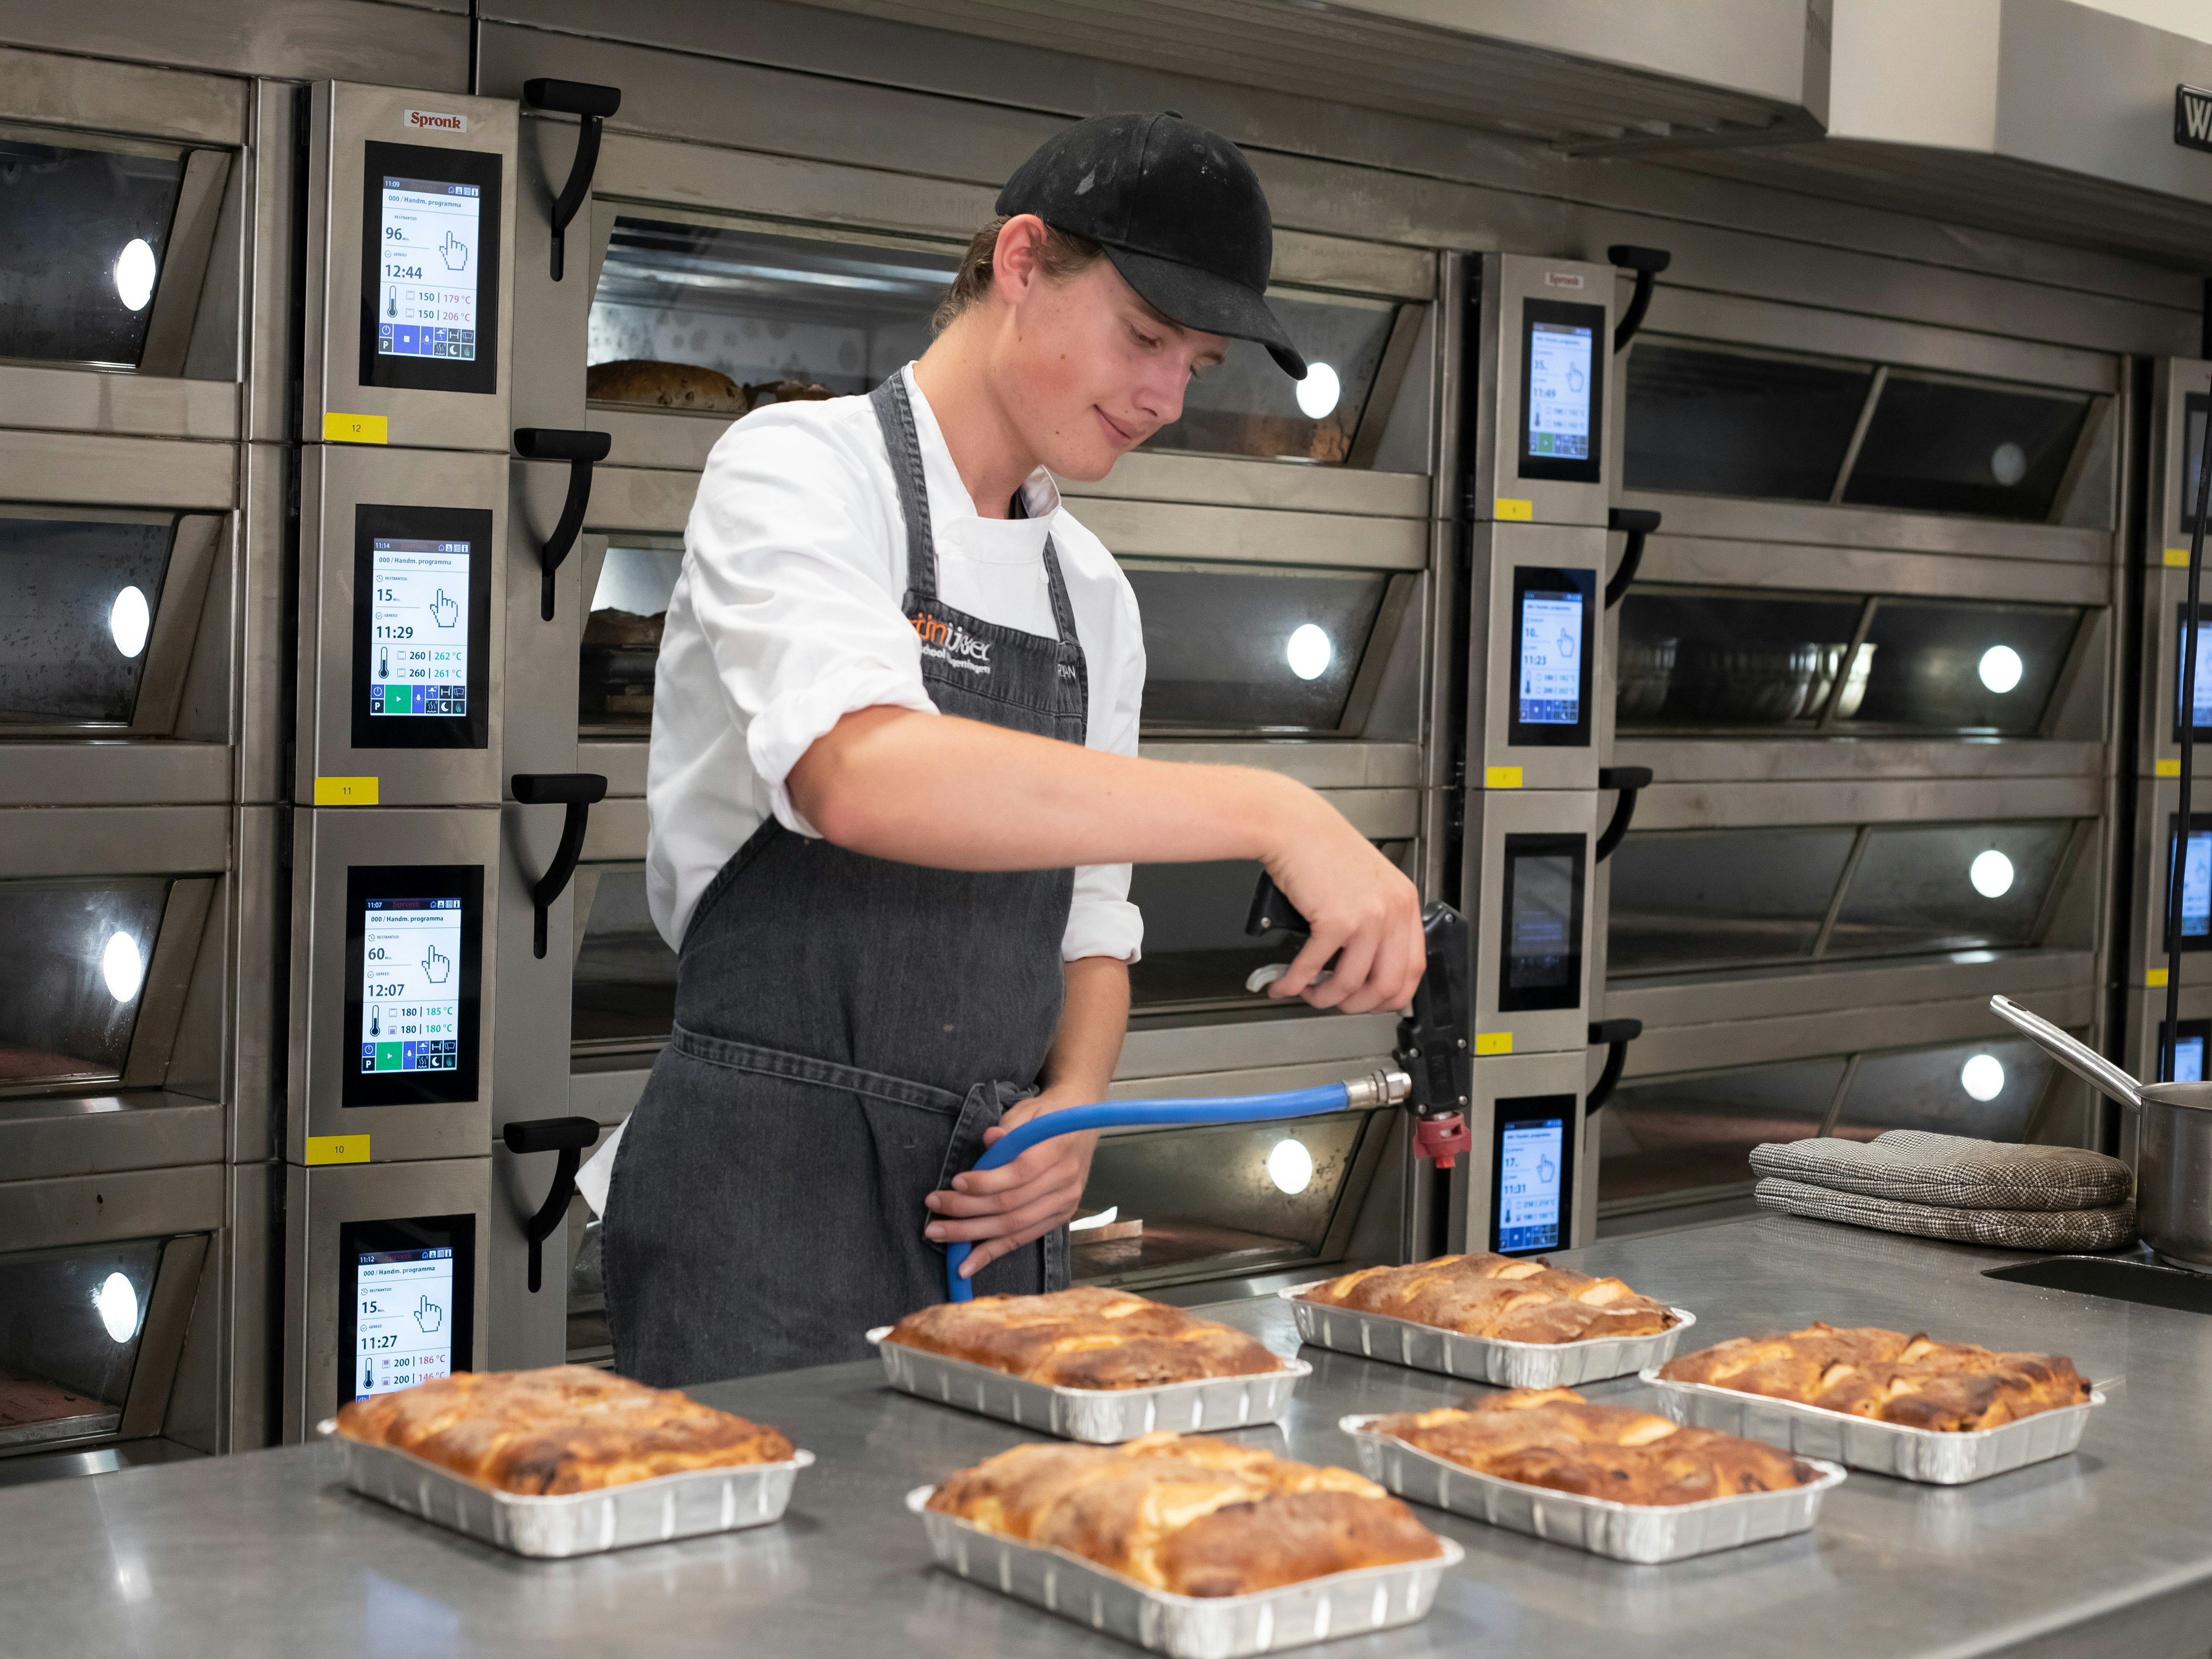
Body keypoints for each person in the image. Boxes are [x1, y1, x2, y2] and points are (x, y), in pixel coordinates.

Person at [590, 111, 1425, 1387]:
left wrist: (1071, 1111)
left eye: (1195, 364)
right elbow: (858, 774)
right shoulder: (797, 471)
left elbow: (1088, 927)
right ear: (1023, 262)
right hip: (760, 1185)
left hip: (989, 1211)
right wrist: (1273, 809)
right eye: (1145, 336)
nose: (1162, 395)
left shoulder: (1089, 591)